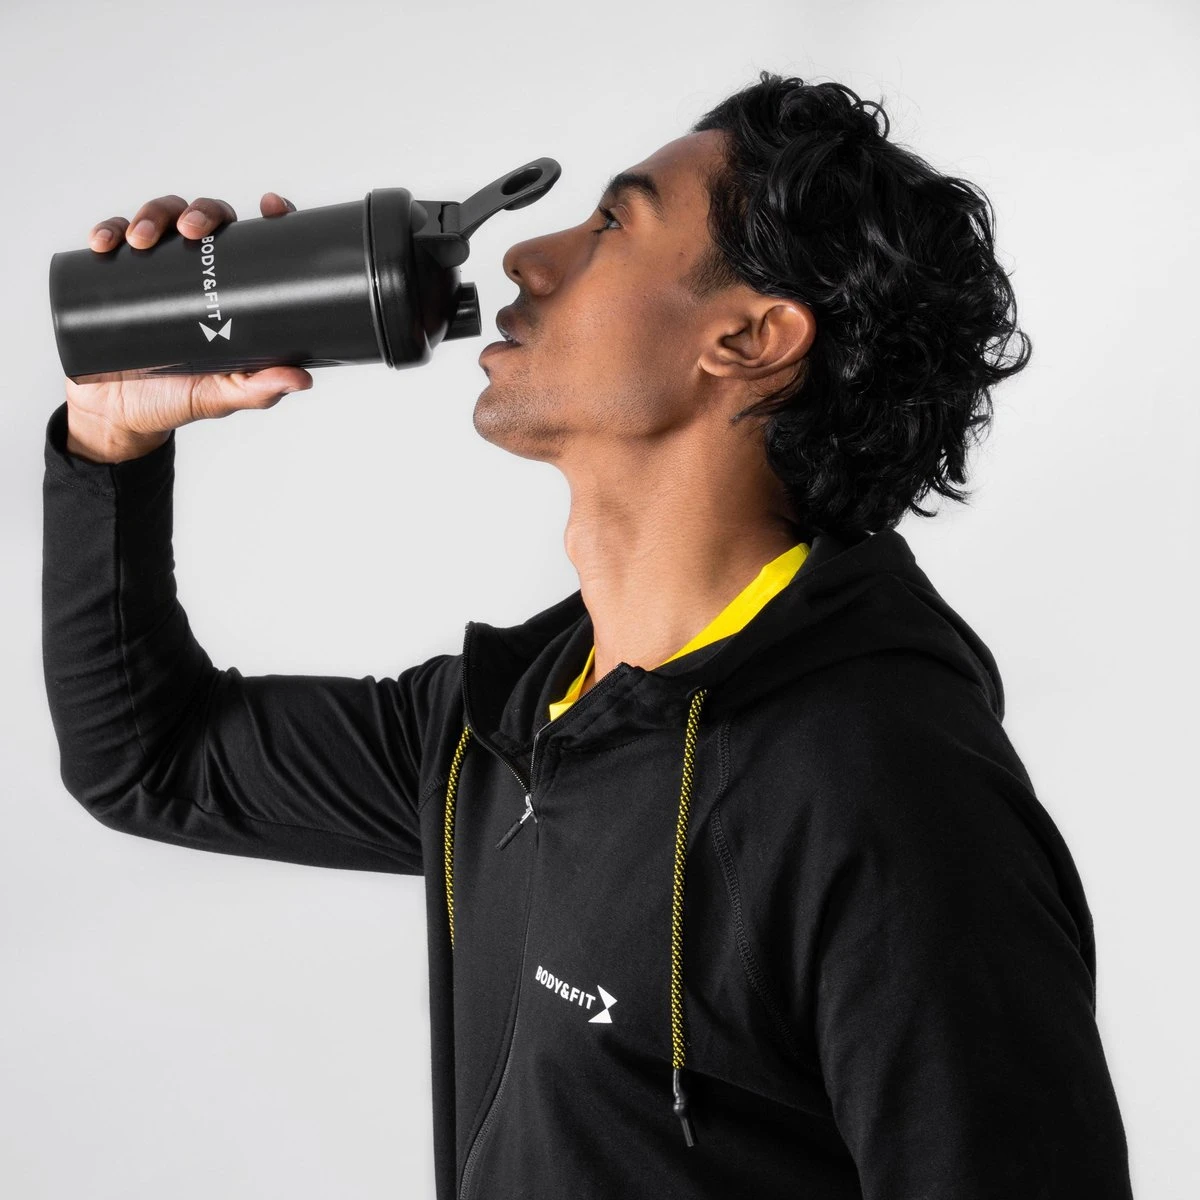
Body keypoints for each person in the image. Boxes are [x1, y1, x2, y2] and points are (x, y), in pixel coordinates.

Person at [41, 72, 1134, 1199]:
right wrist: (111, 439)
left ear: (751, 338)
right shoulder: (507, 726)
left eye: (613, 223)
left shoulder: (881, 793)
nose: (526, 256)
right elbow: (152, 758)